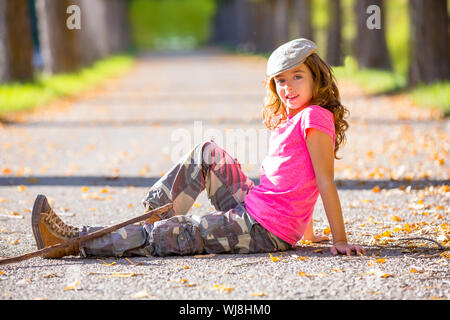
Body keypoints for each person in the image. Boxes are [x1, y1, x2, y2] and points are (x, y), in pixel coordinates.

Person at [31, 38, 365, 259]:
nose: (287, 87)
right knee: (208, 152)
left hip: (264, 230)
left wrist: (338, 239)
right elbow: (294, 181)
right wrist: (306, 232)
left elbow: (323, 180)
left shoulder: (315, 118)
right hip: (257, 207)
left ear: (316, 77)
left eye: (297, 77)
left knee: (179, 234)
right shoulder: (292, 118)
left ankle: (73, 241)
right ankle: (156, 212)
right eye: (280, 80)